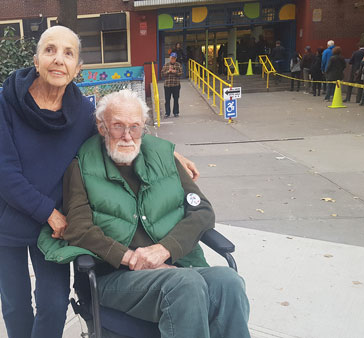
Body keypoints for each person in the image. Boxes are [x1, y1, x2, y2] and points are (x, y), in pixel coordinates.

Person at [0, 26, 199, 338]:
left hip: (52, 226)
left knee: (53, 304)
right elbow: (4, 172)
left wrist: (173, 156)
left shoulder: (82, 113)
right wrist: (49, 213)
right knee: (16, 304)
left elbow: (121, 134)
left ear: (77, 68)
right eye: (50, 50)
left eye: (68, 53)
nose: (58, 59)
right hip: (11, 217)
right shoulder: (7, 103)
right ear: (36, 60)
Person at [38, 89, 250, 338]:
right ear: (102, 126)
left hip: (175, 265)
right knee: (185, 285)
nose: (127, 136)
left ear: (143, 127)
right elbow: (79, 228)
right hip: (115, 277)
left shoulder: (164, 158)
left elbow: (201, 210)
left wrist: (164, 250)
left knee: (228, 282)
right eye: (117, 126)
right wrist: (132, 259)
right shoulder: (82, 165)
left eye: (135, 127)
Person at [161, 52, 182, 118]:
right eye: (172, 58)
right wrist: (168, 71)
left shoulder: (178, 65)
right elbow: (162, 74)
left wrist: (175, 72)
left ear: (176, 59)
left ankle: (176, 112)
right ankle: (167, 113)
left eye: (174, 58)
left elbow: (181, 74)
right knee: (167, 100)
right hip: (167, 85)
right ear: (170, 58)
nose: (173, 59)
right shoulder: (166, 65)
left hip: (176, 85)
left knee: (176, 99)